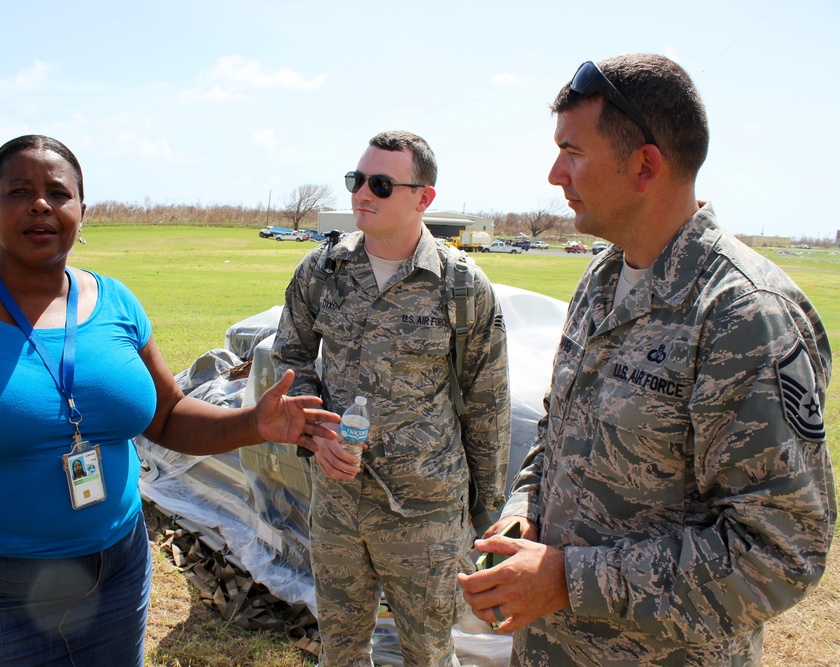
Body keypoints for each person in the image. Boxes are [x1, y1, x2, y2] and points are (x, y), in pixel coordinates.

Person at [0, 134, 336, 667]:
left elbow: (166, 416)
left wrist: (254, 423)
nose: (39, 204)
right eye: (18, 191)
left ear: (82, 211)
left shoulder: (117, 303)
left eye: (58, 192)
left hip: (114, 577)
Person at [457, 54, 837, 665]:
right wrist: (525, 510)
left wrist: (567, 580)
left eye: (573, 152)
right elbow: (559, 429)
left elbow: (780, 552)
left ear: (645, 165)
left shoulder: (741, 314)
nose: (556, 174)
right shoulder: (602, 280)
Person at [272, 130, 510, 667]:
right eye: (357, 181)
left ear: (423, 197)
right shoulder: (322, 271)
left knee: (428, 653)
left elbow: (488, 400)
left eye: (380, 184)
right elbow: (290, 357)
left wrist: (486, 510)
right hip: (338, 500)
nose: (362, 195)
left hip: (425, 509)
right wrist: (314, 431)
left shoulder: (461, 285)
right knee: (340, 650)